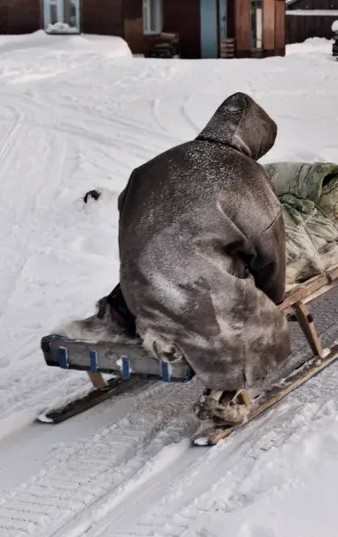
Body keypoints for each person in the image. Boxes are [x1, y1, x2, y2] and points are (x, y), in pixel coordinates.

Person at [116, 92, 291, 428]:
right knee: (262, 326)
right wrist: (272, 298)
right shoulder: (247, 175)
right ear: (255, 139)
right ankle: (226, 388)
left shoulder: (156, 164)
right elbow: (269, 251)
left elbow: (127, 207)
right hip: (201, 302)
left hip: (138, 292)